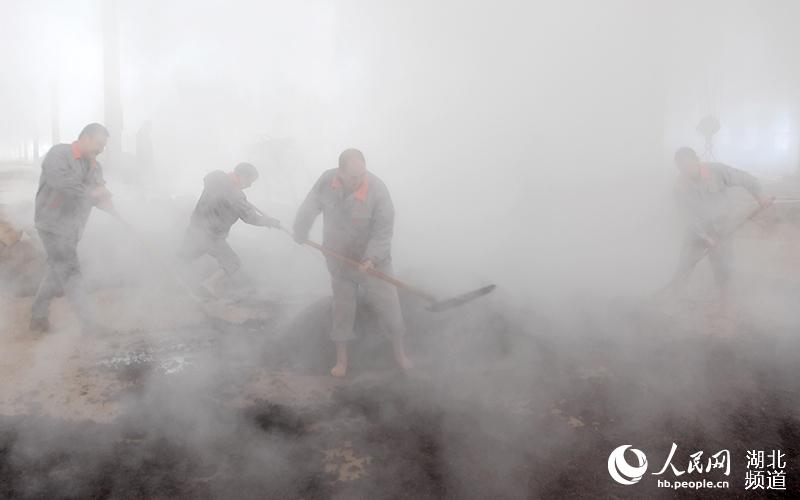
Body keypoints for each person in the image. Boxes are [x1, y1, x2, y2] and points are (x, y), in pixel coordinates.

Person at [293, 148, 413, 377]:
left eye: (362, 174)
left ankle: (400, 354)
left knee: (389, 305)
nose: (359, 180)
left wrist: (372, 258)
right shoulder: (327, 181)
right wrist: (300, 229)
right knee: (342, 309)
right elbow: (310, 206)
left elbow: (383, 230)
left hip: (374, 263)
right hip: (339, 259)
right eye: (354, 176)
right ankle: (342, 362)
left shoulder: (377, 189)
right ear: (340, 172)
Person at [30, 123, 116, 334]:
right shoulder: (59, 154)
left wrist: (107, 203)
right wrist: (92, 193)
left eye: (103, 146)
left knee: (56, 270)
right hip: (51, 224)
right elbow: (61, 182)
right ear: (85, 138)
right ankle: (90, 324)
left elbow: (99, 190)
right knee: (70, 270)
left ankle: (38, 317)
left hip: (73, 227)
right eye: (99, 144)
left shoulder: (94, 166)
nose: (101, 149)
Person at [669, 147, 772, 301]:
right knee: (686, 261)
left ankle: (724, 298)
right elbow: (687, 217)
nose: (687, 171)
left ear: (697, 160)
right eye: (682, 168)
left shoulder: (716, 171)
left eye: (688, 165)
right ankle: (676, 295)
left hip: (722, 226)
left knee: (723, 263)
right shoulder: (680, 186)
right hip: (697, 230)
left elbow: (746, 179)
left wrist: (760, 197)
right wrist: (705, 237)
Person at [178, 162, 279, 297]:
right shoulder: (236, 196)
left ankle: (175, 280)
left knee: (185, 257)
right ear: (242, 176)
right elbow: (251, 218)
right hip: (212, 237)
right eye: (250, 181)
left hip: (195, 228)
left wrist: (232, 186)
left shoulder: (215, 178)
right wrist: (269, 221)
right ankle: (209, 284)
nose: (250, 185)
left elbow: (209, 177)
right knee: (233, 262)